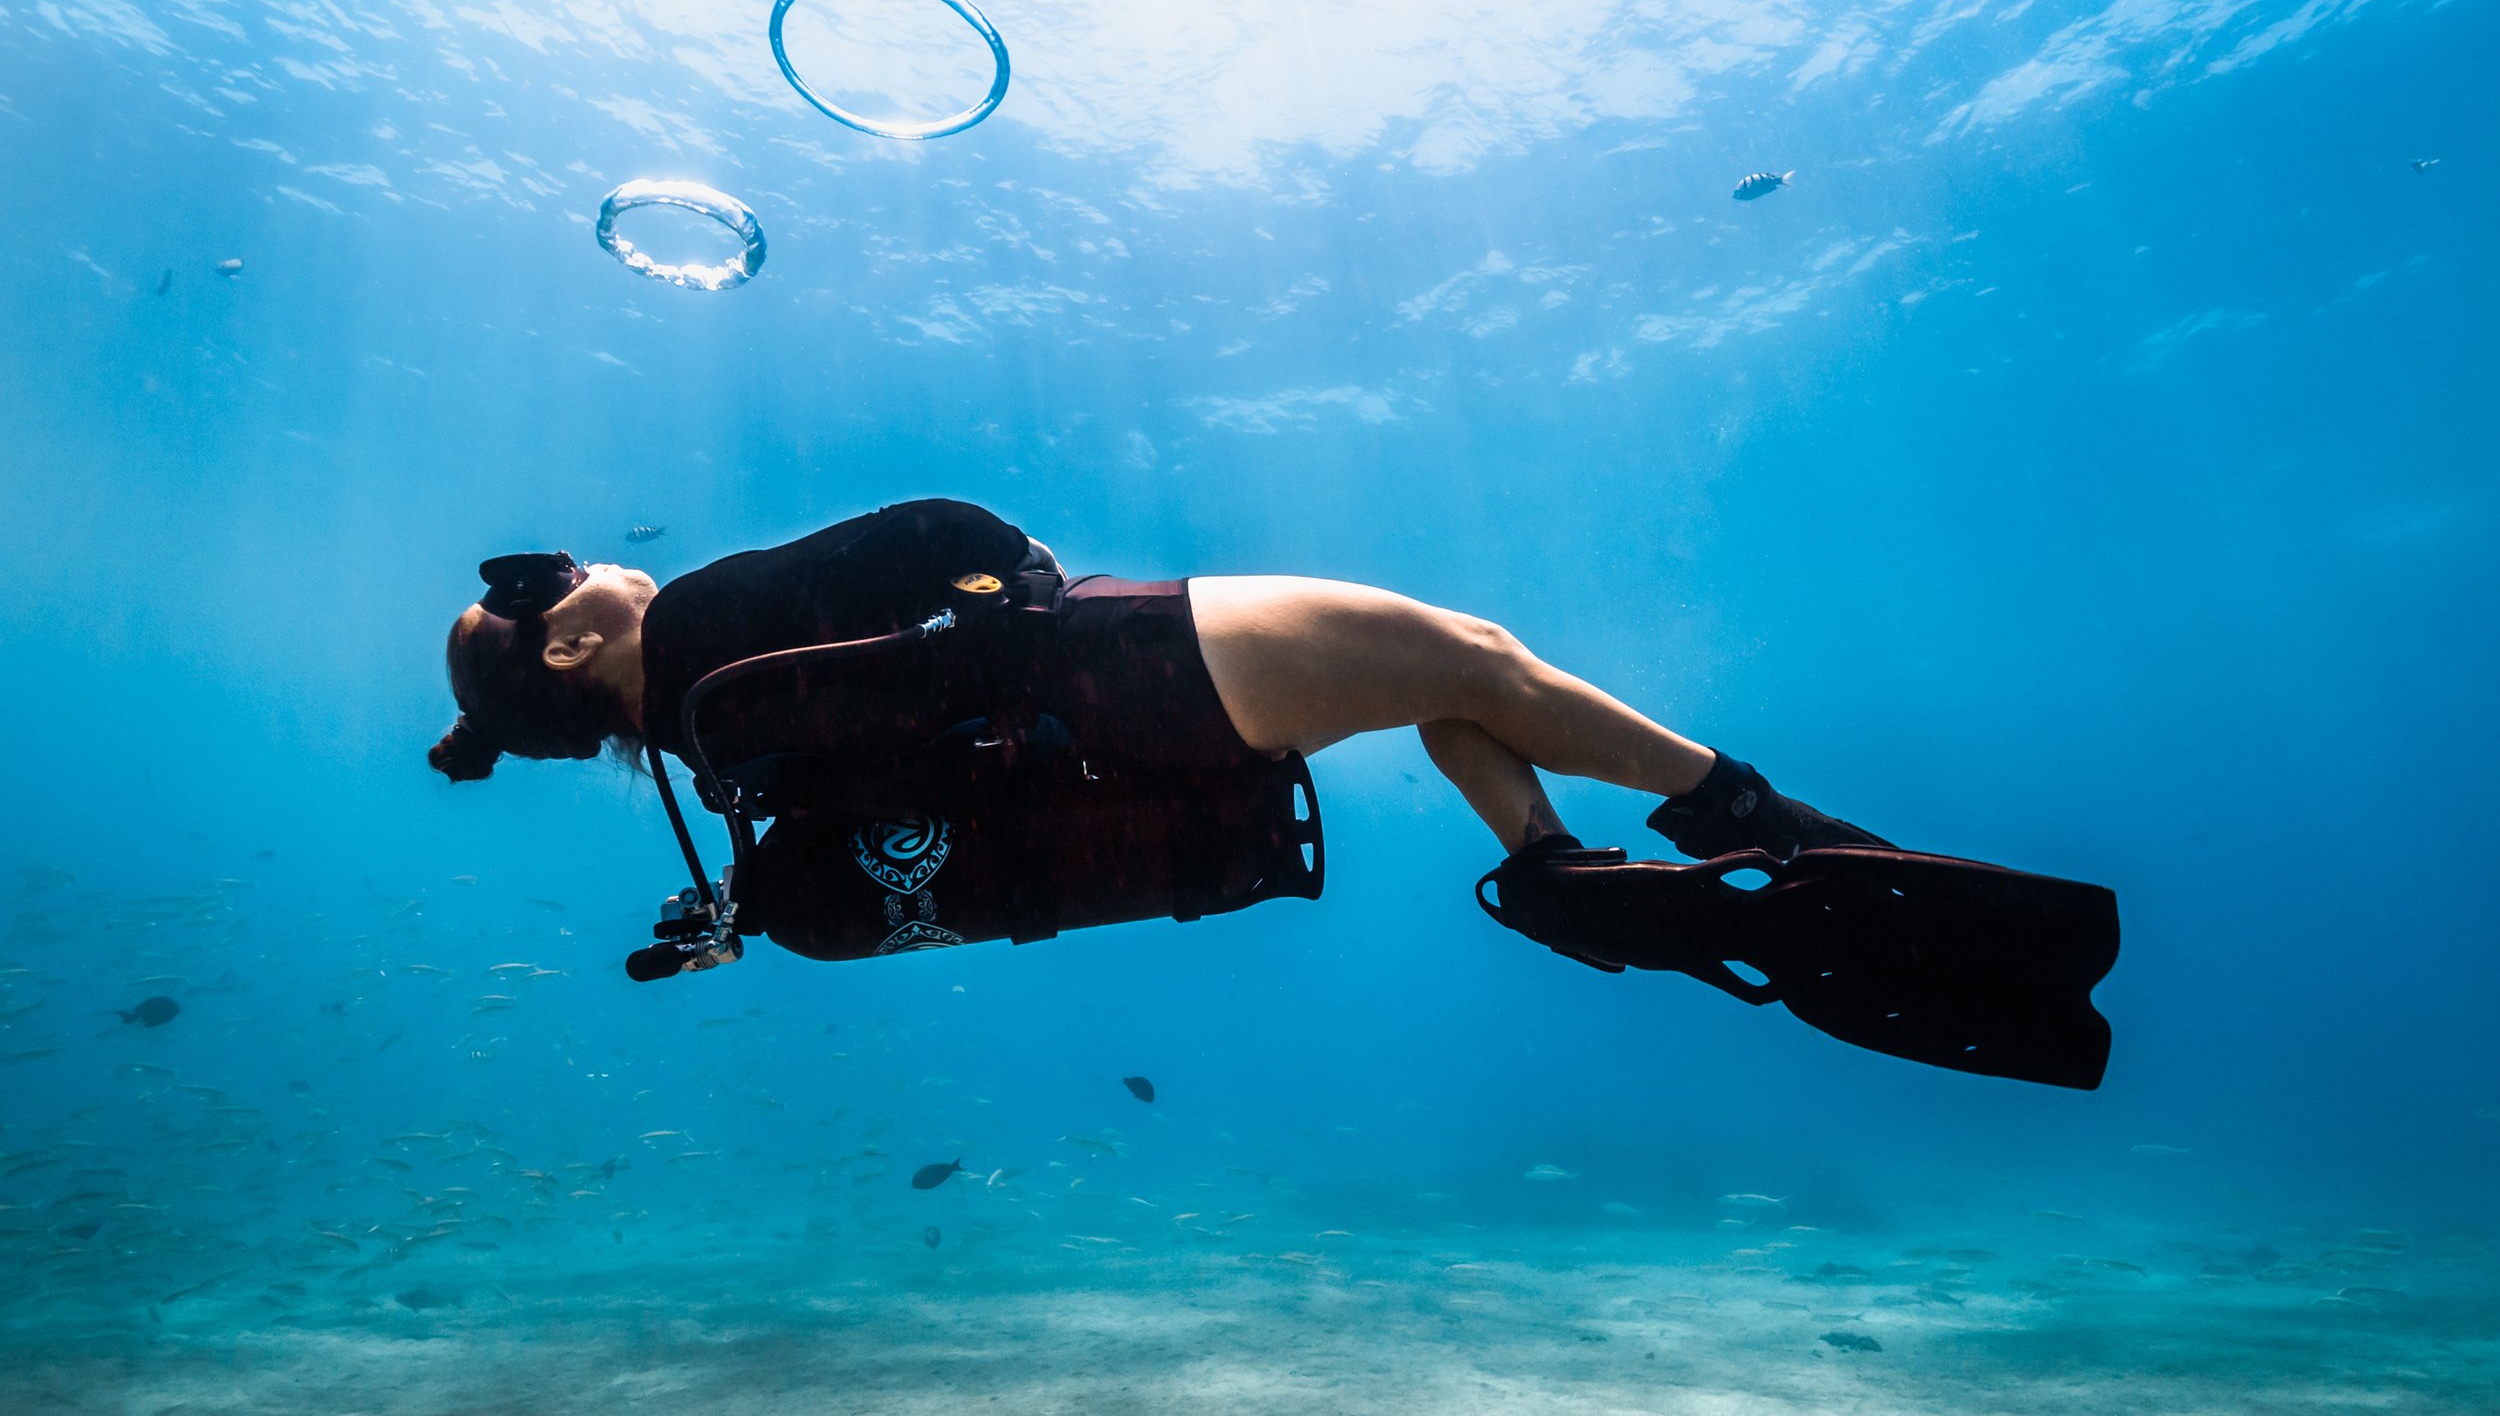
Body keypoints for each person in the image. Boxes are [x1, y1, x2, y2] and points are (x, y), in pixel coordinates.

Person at [432, 498, 2119, 1089]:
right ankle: (1766, 827)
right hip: (1125, 668)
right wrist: (1021, 582)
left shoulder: (720, 760)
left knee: (1450, 677)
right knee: (1463, 648)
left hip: (1123, 760)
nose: (608, 568)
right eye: (578, 579)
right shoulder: (717, 619)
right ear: (571, 642)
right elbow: (936, 531)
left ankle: (1557, 872)